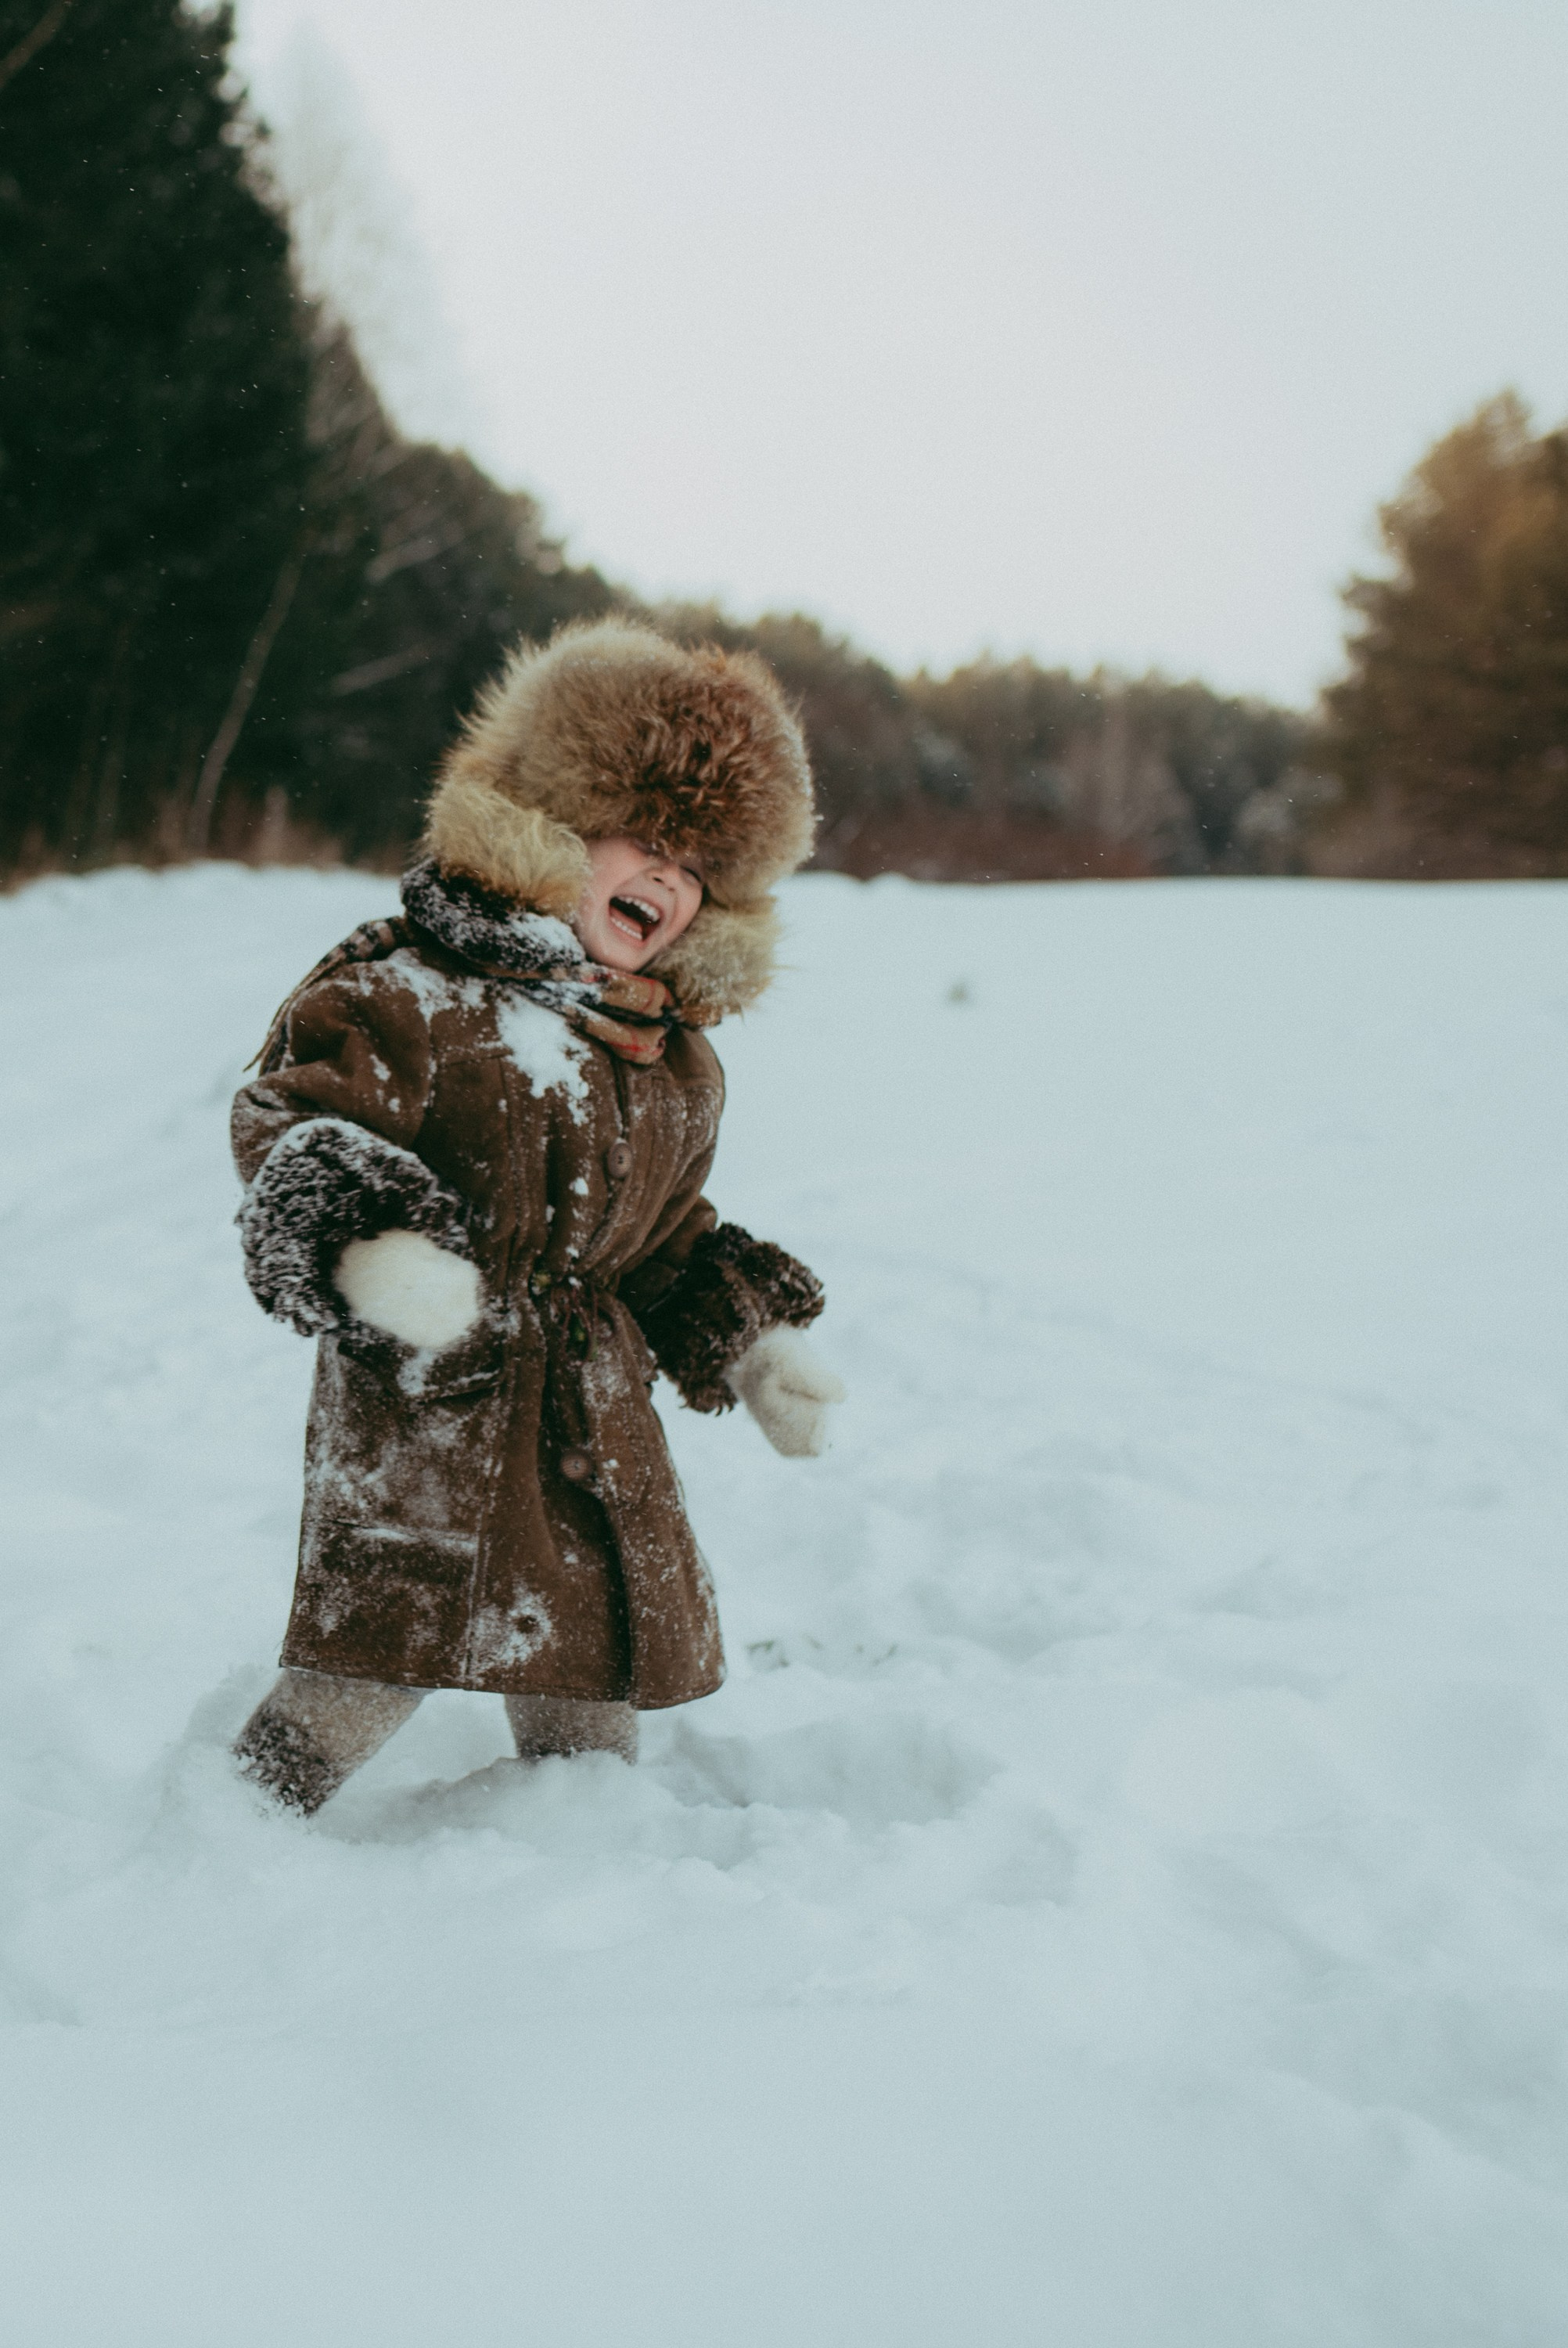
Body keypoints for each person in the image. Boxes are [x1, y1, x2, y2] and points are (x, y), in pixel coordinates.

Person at [229, 618, 843, 1816]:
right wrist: (371, 1243)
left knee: (587, 1680)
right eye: (649, 839)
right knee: (365, 1670)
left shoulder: (670, 1061)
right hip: (433, 1412)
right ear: (556, 817)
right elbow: (294, 1120)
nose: (668, 880)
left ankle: (573, 1891)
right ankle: (229, 1834)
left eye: (700, 866)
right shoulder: (408, 986)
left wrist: (753, 1345)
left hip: (591, 1433)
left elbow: (662, 1237)